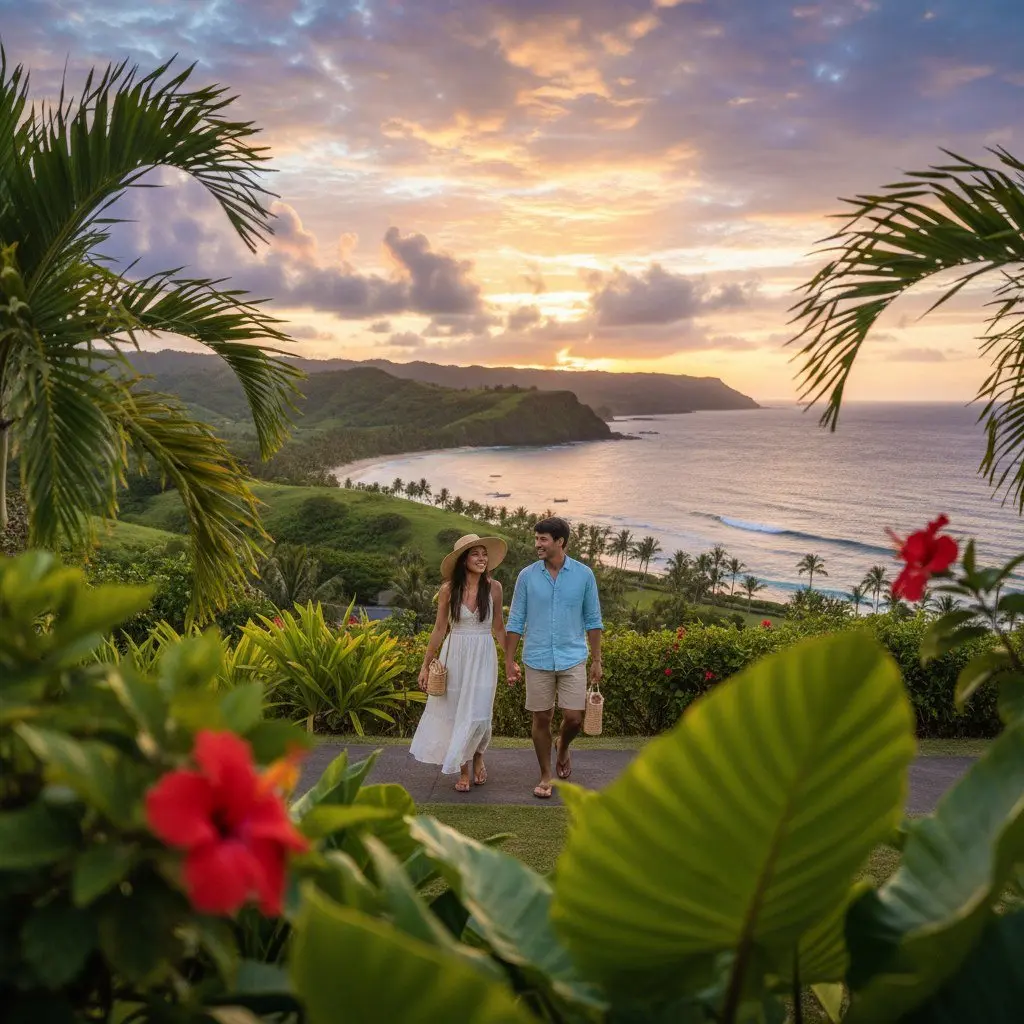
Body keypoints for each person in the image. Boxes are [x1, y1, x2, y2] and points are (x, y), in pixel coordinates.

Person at [505, 516, 603, 799]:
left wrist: (597, 659)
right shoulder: (527, 576)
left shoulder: (584, 575)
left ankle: (562, 748)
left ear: (560, 542)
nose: (537, 544)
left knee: (573, 718)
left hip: (573, 656)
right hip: (536, 657)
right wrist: (508, 660)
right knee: (541, 717)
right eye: (536, 538)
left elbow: (593, 619)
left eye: (543, 539)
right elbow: (515, 620)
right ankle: (546, 773)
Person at [410, 533, 510, 793]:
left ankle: (478, 755)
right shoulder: (448, 590)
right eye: (475, 554)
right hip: (454, 655)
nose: (481, 558)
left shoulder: (495, 588)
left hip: (484, 655)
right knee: (456, 712)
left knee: (479, 713)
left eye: (484, 553)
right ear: (463, 560)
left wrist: (511, 659)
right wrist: (425, 664)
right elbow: (439, 629)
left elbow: (499, 627)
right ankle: (464, 767)